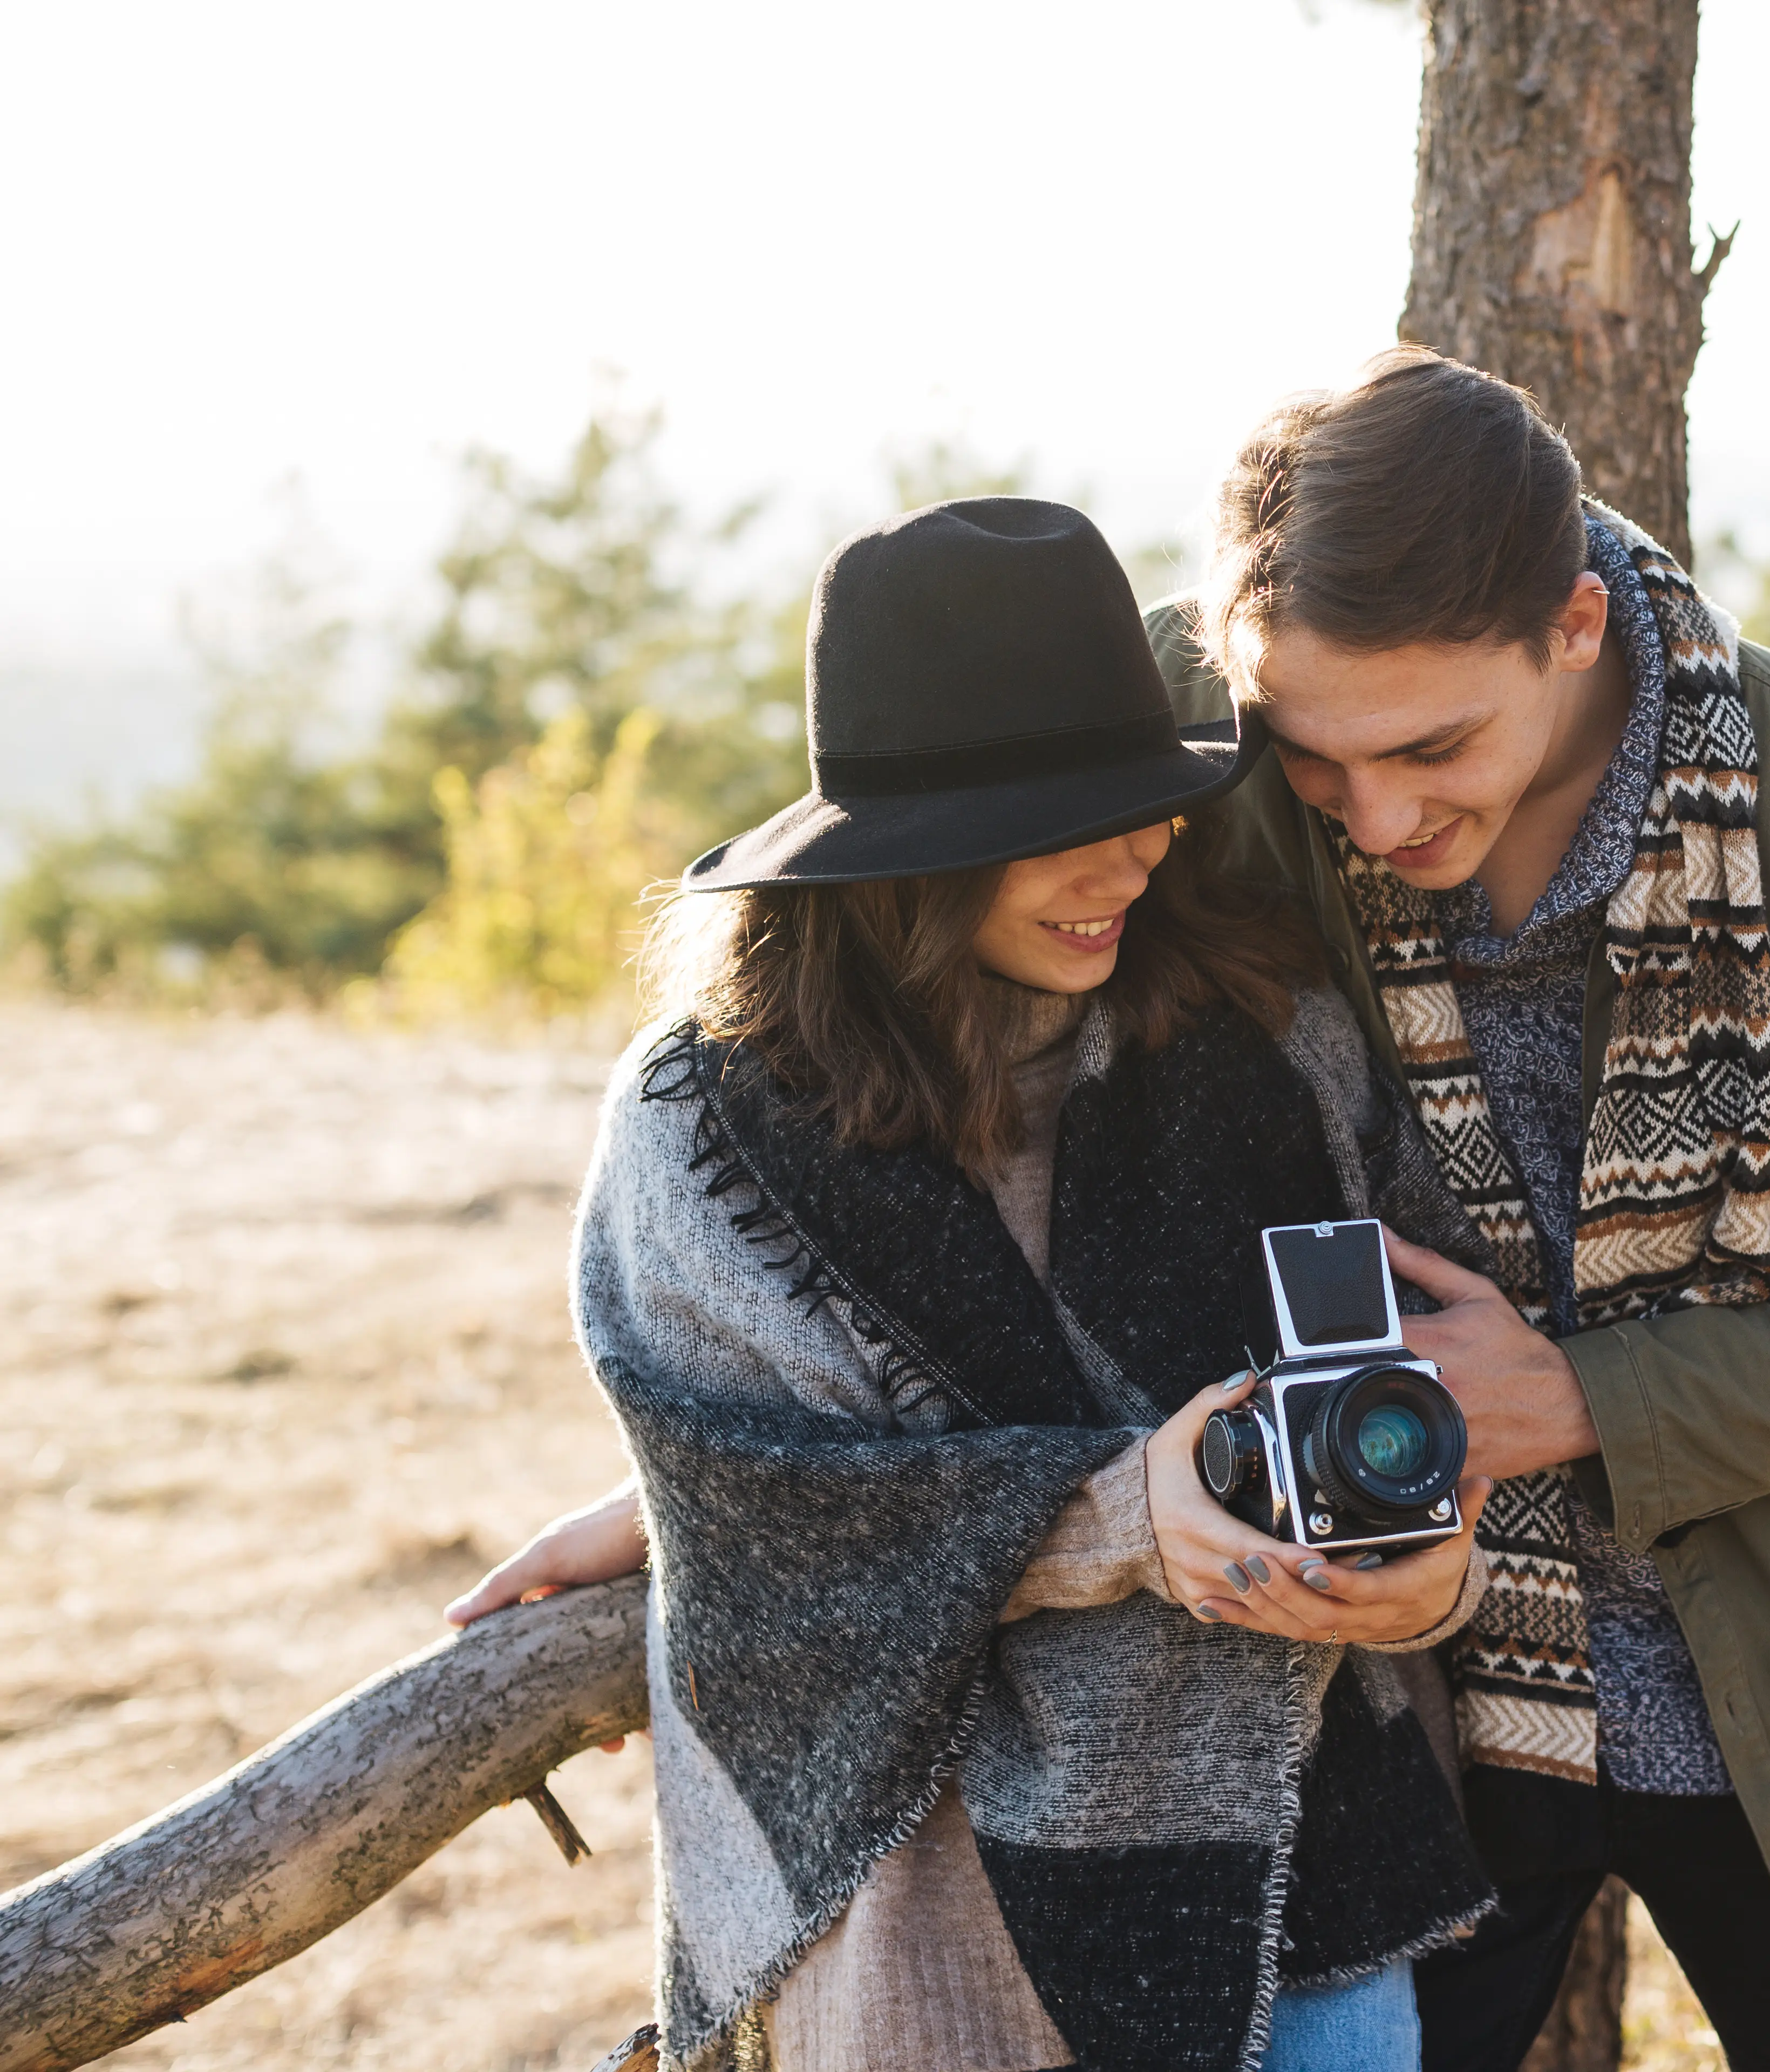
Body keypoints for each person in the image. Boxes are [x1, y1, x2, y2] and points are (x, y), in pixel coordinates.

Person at [1152, 349, 1770, 2071]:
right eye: (1316, 759)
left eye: (1434, 746)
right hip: (1399, 1703)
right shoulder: (1226, 782)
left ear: (1576, 627)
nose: (1374, 817)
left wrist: (1590, 1402)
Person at [458, 497, 1500, 2072]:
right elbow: (768, 1511)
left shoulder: (1262, 1043)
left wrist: (1442, 1571)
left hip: (1312, 1868)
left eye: (1149, 802)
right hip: (931, 1909)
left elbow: (1403, 1395)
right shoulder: (710, 1135)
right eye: (1068, 824)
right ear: (903, 860)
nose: (1138, 856)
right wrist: (1122, 1510)